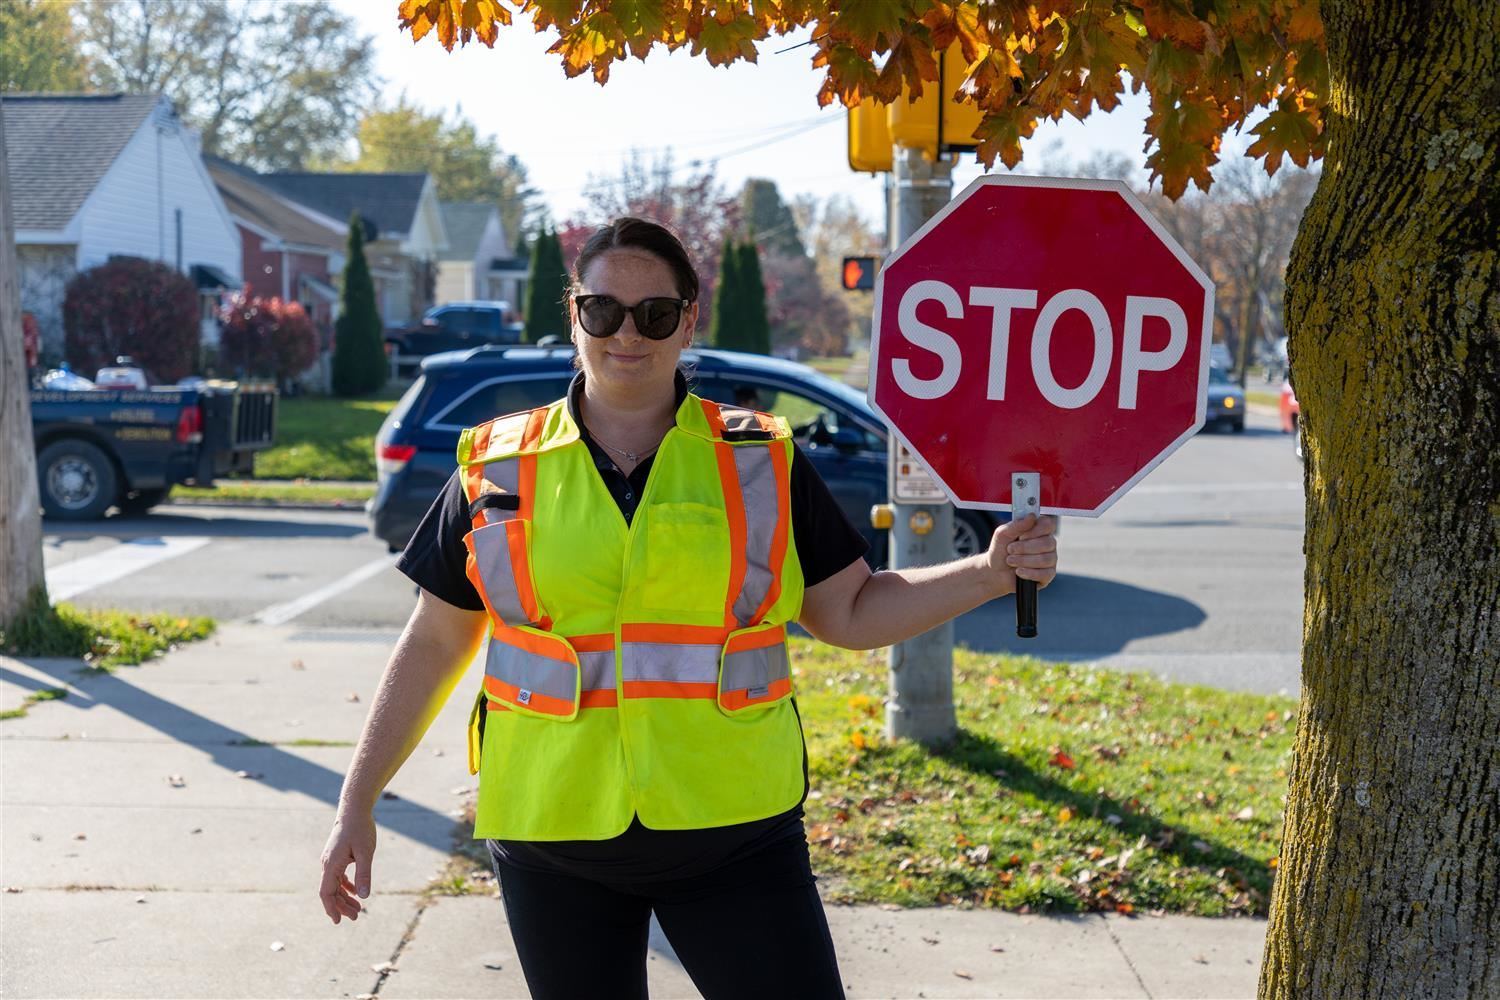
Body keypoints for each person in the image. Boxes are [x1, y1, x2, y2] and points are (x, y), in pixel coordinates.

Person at [318, 217, 1059, 999]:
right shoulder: (496, 464)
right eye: (603, 311)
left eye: (656, 314)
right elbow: (434, 642)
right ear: (574, 315)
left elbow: (850, 613)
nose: (627, 334)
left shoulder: (760, 459)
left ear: (688, 319)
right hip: (553, 841)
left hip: (735, 839)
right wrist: (355, 803)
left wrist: (989, 569)